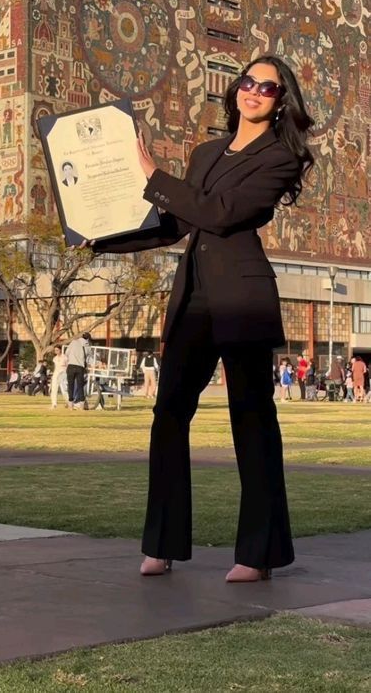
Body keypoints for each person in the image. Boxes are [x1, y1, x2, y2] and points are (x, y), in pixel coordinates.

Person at [91, 55, 314, 582]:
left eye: (267, 87)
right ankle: (162, 544)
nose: (253, 91)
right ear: (235, 90)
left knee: (252, 420)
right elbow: (174, 224)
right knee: (168, 414)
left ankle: (258, 554)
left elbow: (219, 214)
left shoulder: (279, 157)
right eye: (247, 81)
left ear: (280, 101)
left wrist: (153, 174)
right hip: (193, 295)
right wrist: (98, 236)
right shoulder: (206, 152)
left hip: (243, 297)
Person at [66, 333, 91, 409]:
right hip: (80, 367)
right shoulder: (88, 346)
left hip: (71, 365)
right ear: (88, 339)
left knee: (71, 385)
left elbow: (67, 353)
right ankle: (82, 405)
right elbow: (88, 358)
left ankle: (70, 404)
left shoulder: (74, 342)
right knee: (80, 386)